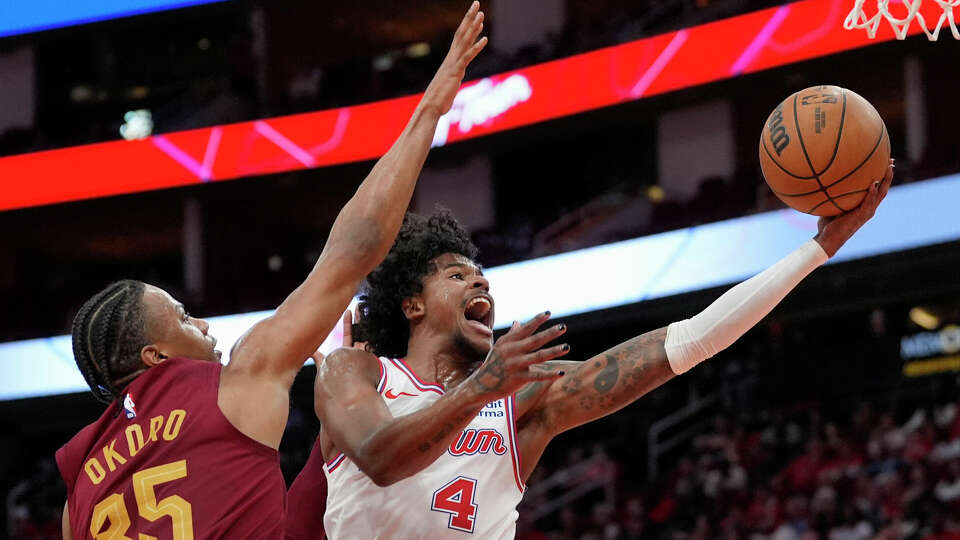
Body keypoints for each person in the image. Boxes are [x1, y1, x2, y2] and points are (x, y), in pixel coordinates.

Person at [55, 3, 489, 538]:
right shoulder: (239, 377)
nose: (206, 327)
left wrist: (325, 448)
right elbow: (353, 251)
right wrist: (429, 110)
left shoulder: (78, 489)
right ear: (156, 356)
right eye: (185, 318)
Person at [294, 162, 895, 538]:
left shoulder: (525, 399)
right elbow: (379, 455)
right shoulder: (359, 371)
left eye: (482, 276)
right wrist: (484, 386)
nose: (480, 281)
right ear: (412, 305)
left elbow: (689, 340)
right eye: (456, 275)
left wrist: (817, 250)